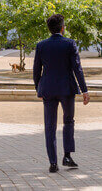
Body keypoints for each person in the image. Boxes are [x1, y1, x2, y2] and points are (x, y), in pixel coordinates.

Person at [33, 14, 89, 173]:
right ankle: (67, 156)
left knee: (49, 126)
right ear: (62, 28)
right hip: (66, 89)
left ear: (49, 28)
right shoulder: (69, 44)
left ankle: (53, 163)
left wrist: (39, 89)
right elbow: (77, 68)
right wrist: (84, 90)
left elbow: (37, 70)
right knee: (68, 121)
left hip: (48, 90)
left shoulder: (41, 45)